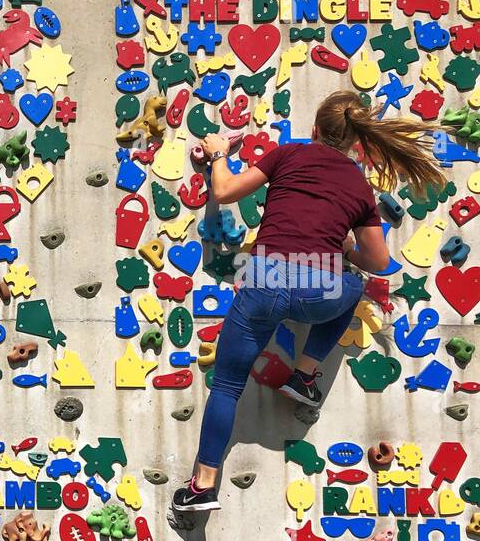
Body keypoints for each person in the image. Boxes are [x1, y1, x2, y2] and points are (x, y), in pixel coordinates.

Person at [172, 91, 448, 515]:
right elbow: (378, 261)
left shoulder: (286, 156)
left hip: (263, 279)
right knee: (353, 286)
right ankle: (303, 375)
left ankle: (203, 485)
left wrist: (216, 153)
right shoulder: (358, 185)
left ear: (315, 131)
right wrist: (344, 247)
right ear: (355, 141)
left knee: (227, 385)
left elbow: (225, 191)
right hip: (318, 290)